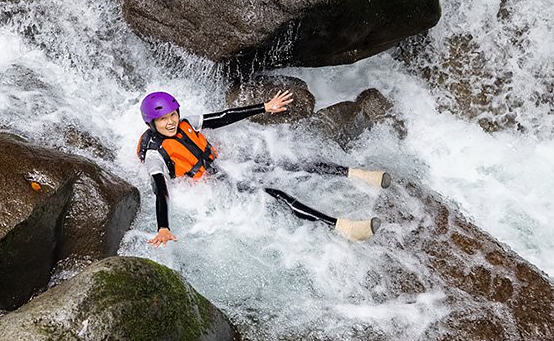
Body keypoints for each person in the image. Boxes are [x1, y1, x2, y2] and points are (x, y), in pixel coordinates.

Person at [136, 89, 390, 247]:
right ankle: (342, 228)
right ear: (152, 123)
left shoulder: (185, 122)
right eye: (163, 119)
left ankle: (357, 174)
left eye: (172, 116)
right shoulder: (154, 155)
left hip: (224, 163)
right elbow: (161, 190)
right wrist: (163, 226)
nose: (170, 122)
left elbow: (224, 116)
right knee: (275, 193)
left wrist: (264, 107)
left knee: (288, 161)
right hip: (215, 185)